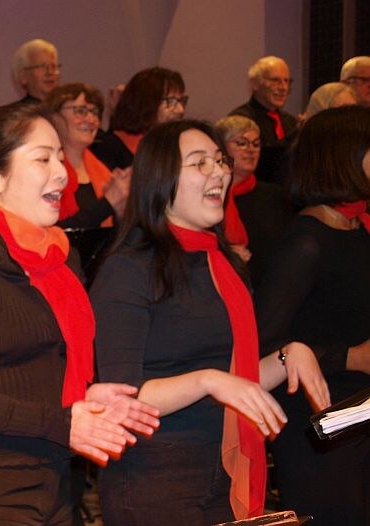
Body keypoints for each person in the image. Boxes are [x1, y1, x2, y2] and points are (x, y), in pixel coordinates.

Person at [0, 102, 160, 524]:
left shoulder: (55, 254)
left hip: (52, 485)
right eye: (42, 158)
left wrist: (82, 397)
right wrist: (61, 421)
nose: (62, 173)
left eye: (59, 156)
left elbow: (35, 369)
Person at [90, 119, 329, 525]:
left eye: (219, 160)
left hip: (221, 466)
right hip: (156, 475)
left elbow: (238, 381)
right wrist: (208, 380)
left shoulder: (221, 260)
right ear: (160, 179)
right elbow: (121, 399)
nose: (219, 171)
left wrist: (289, 356)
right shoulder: (129, 268)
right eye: (200, 163)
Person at [254, 105, 370, 525]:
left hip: (359, 413)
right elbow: (265, 348)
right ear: (343, 157)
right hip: (320, 429)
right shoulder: (306, 243)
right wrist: (349, 357)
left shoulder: (356, 229)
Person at [214, 115, 292, 285]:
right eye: (241, 143)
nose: (251, 150)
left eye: (256, 144)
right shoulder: (210, 196)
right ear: (221, 149)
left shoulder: (275, 195)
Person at [45, 82, 130, 229]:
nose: (91, 120)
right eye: (81, 111)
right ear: (54, 117)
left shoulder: (105, 169)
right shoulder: (45, 172)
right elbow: (53, 232)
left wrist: (121, 213)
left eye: (95, 112)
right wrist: (108, 203)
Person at [90, 67, 186, 171]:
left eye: (181, 101)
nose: (180, 110)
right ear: (147, 103)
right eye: (171, 101)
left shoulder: (170, 150)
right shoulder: (108, 148)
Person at [229, 56, 298, 185]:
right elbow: (265, 160)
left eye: (287, 81)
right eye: (275, 80)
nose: (283, 87)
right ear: (254, 84)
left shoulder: (290, 121)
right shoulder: (241, 120)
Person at [12, 38, 60, 105]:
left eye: (53, 66)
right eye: (42, 66)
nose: (50, 72)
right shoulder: (12, 115)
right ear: (23, 76)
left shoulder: (69, 112)